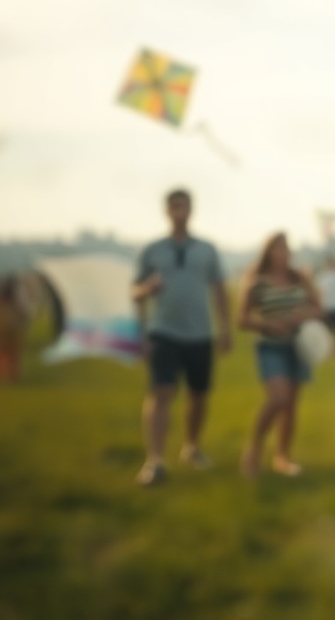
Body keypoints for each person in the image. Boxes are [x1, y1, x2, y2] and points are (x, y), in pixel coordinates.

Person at [130, 189, 232, 486]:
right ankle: (155, 461)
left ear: (191, 210)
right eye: (174, 206)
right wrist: (146, 293)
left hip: (200, 332)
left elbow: (219, 290)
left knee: (198, 395)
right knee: (161, 393)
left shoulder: (207, 250)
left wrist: (225, 328)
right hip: (163, 332)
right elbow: (135, 293)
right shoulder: (152, 250)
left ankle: (192, 448)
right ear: (167, 210)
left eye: (184, 206)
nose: (179, 211)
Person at [238, 233, 322, 478]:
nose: (284, 252)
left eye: (286, 247)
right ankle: (254, 447)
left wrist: (301, 315)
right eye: (278, 248)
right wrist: (267, 326)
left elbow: (318, 308)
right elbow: (242, 319)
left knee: (291, 405)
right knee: (278, 398)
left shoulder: (300, 278)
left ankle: (282, 457)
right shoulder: (255, 281)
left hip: (298, 346)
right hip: (271, 346)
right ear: (268, 252)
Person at [0, 275, 29, 384]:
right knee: (12, 352)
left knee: (2, 351)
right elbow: (23, 313)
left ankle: (1, 375)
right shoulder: (17, 294)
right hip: (12, 325)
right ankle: (11, 375)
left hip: (1, 325)